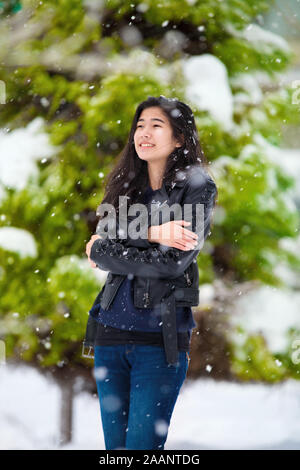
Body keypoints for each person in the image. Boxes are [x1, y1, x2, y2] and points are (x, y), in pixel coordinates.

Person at [84, 95, 218, 450]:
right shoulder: (126, 185)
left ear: (179, 138)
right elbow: (97, 247)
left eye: (156, 125)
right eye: (140, 126)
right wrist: (152, 232)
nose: (144, 133)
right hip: (109, 334)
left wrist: (115, 244)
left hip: (159, 341)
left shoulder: (197, 186)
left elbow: (171, 262)